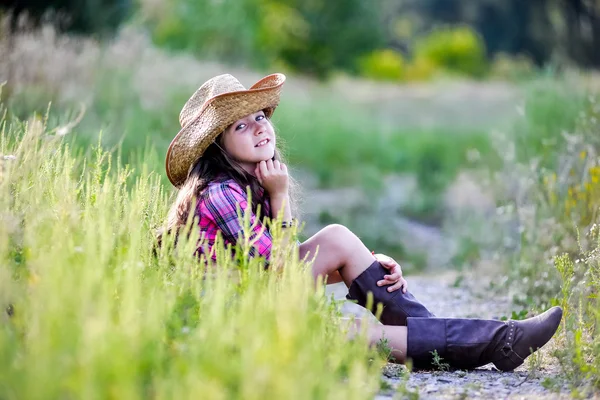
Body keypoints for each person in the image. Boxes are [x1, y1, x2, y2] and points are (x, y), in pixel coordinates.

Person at [161, 72, 562, 371]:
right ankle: (494, 341)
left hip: (256, 302)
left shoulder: (250, 182)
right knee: (359, 336)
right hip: (230, 330)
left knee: (336, 238)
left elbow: (270, 271)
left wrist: (368, 265)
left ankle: (479, 341)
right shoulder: (220, 194)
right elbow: (279, 271)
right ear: (218, 145)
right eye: (240, 125)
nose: (259, 127)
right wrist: (281, 196)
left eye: (259, 116)